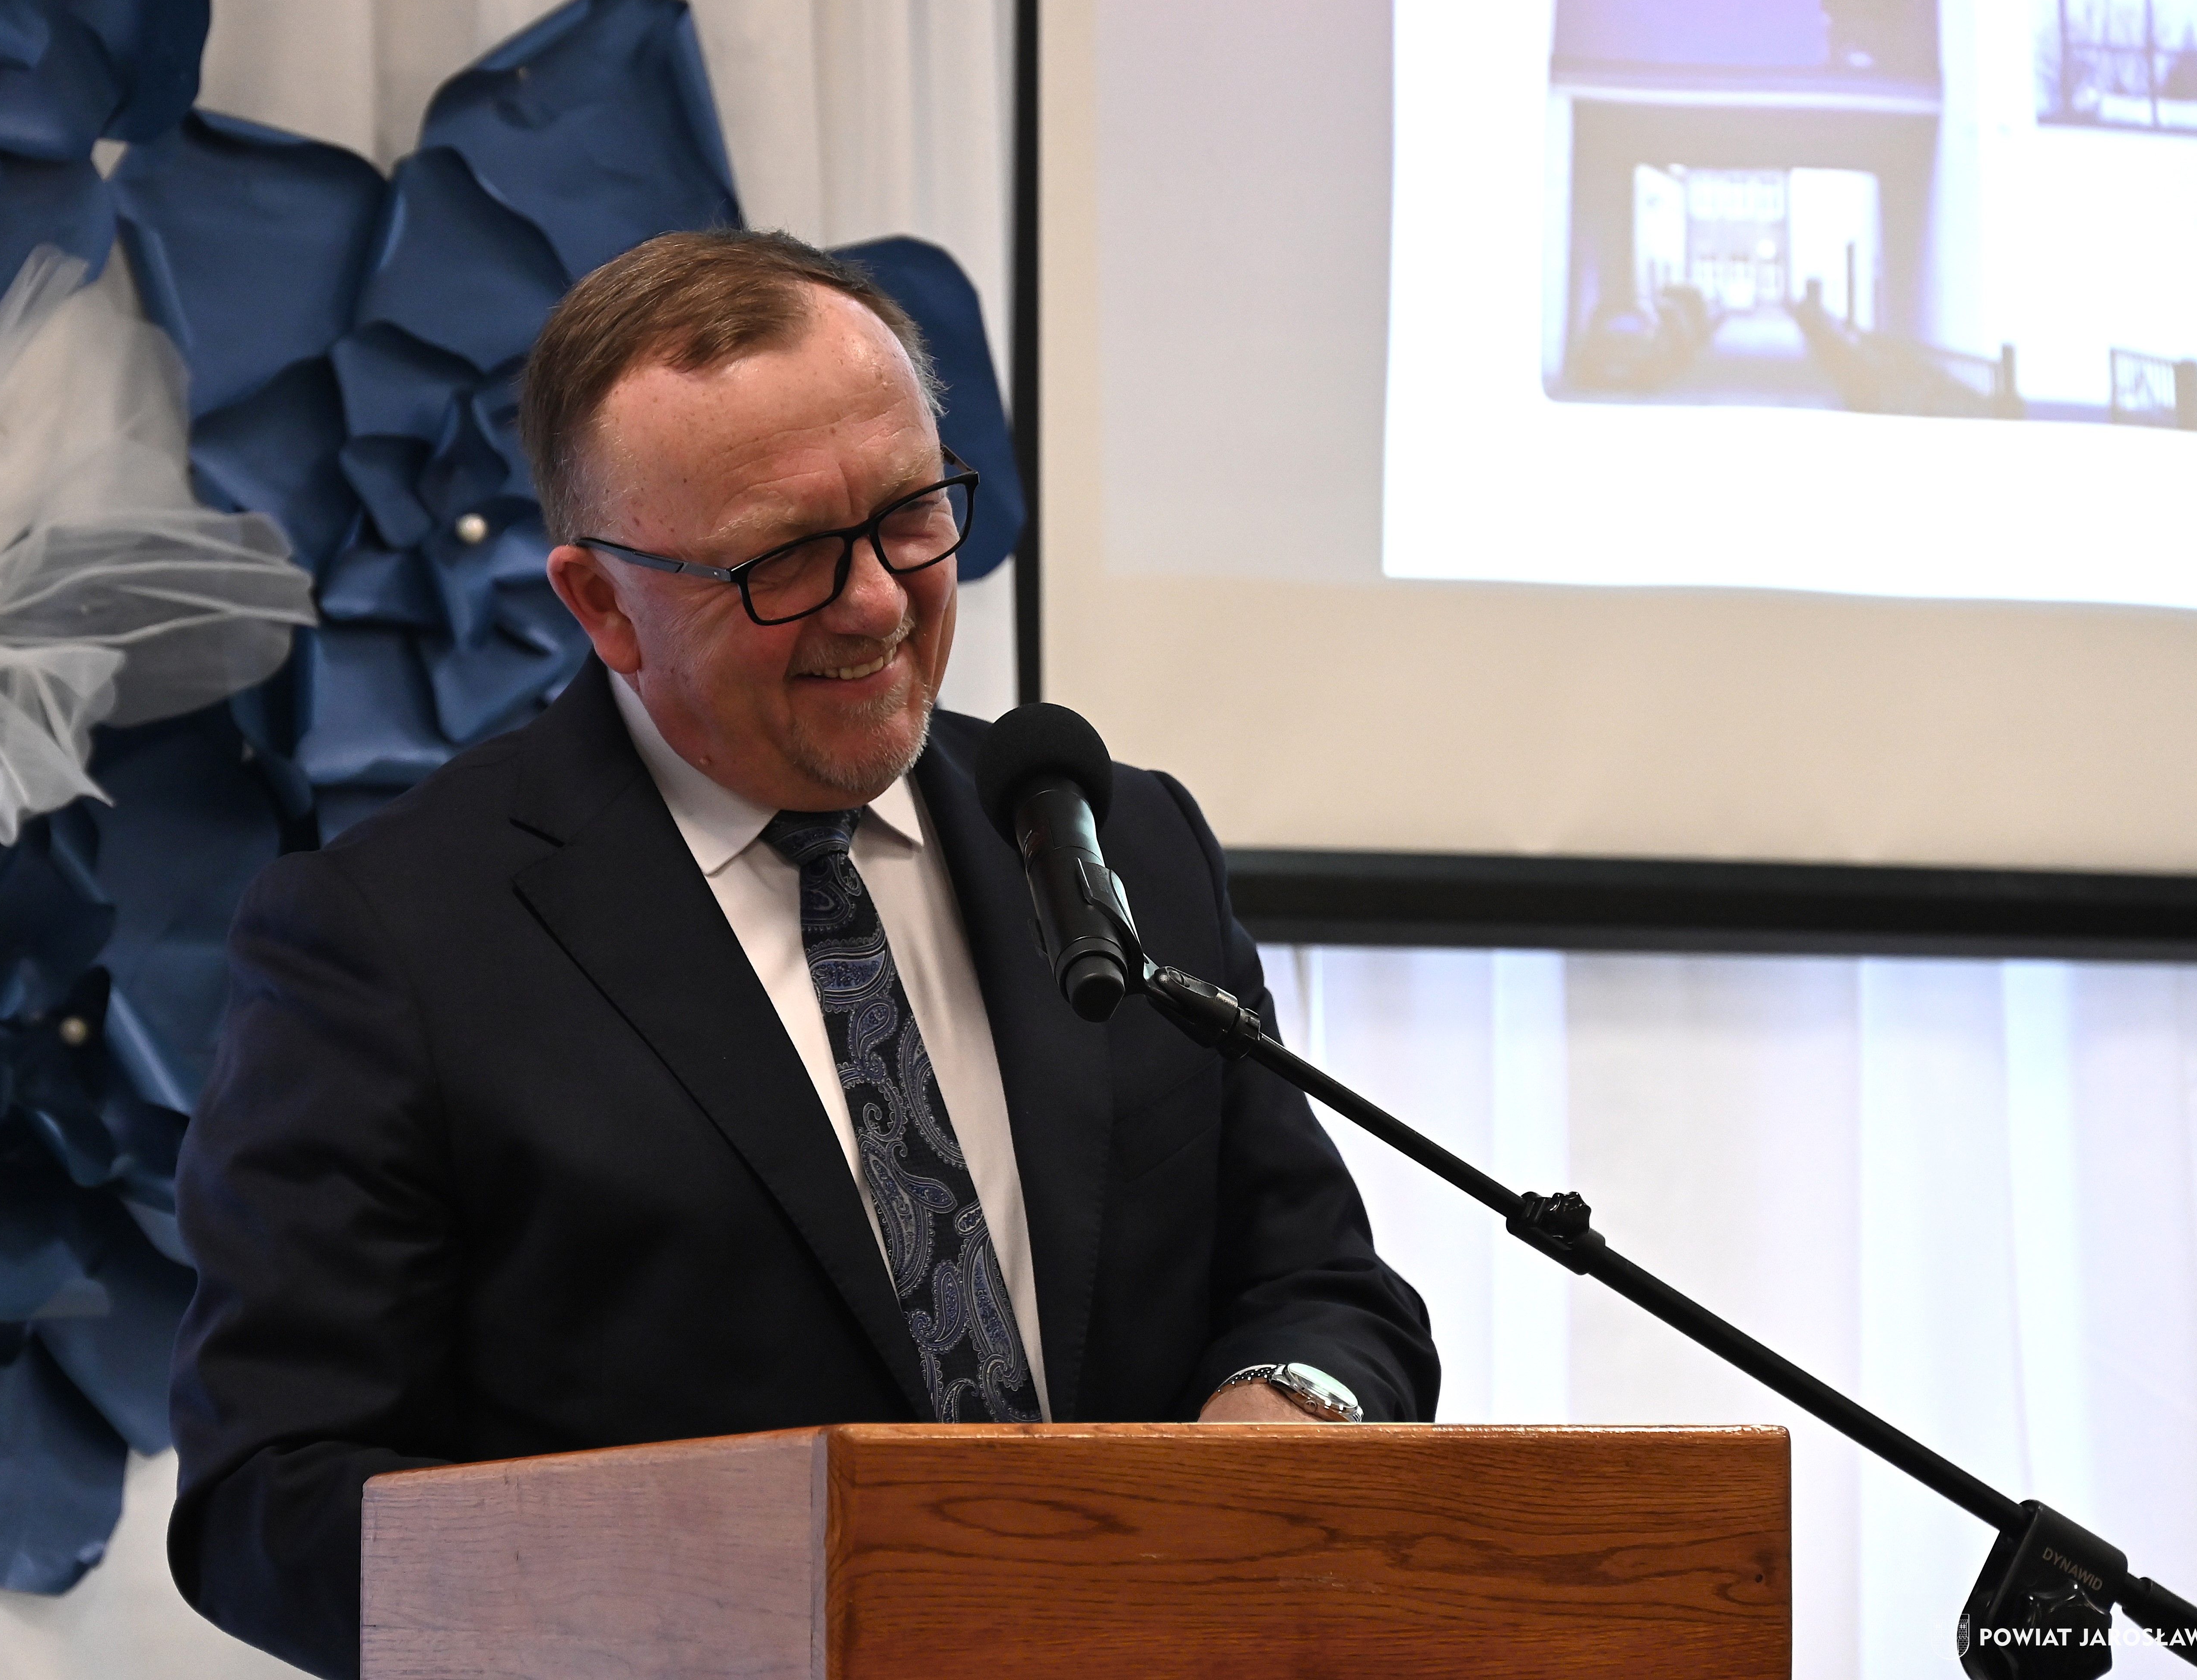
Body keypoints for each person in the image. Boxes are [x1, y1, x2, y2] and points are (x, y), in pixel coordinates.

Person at [168, 229, 1438, 1679]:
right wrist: (710, 1600)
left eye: (911, 516)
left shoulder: (1112, 843)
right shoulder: (391, 941)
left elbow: (1326, 1294)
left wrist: (1284, 1418)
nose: (879, 601)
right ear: (602, 604)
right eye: (787, 558)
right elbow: (271, 1495)